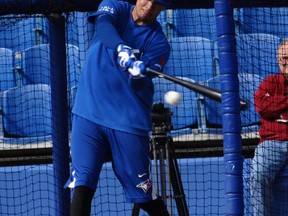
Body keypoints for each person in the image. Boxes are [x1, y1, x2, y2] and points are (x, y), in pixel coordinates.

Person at [64, 0, 171, 215]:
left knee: (143, 194)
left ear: (164, 9)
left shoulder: (159, 43)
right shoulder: (115, 7)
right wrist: (121, 47)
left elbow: (140, 83)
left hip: (127, 122)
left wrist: (139, 72)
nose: (149, 6)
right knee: (82, 186)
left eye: (157, 4)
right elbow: (104, 27)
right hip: (89, 113)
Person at [251, 39, 288, 216]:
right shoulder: (270, 82)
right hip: (271, 143)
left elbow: (271, 106)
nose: (285, 62)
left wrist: (278, 105)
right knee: (258, 176)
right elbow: (262, 106)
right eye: (283, 58)